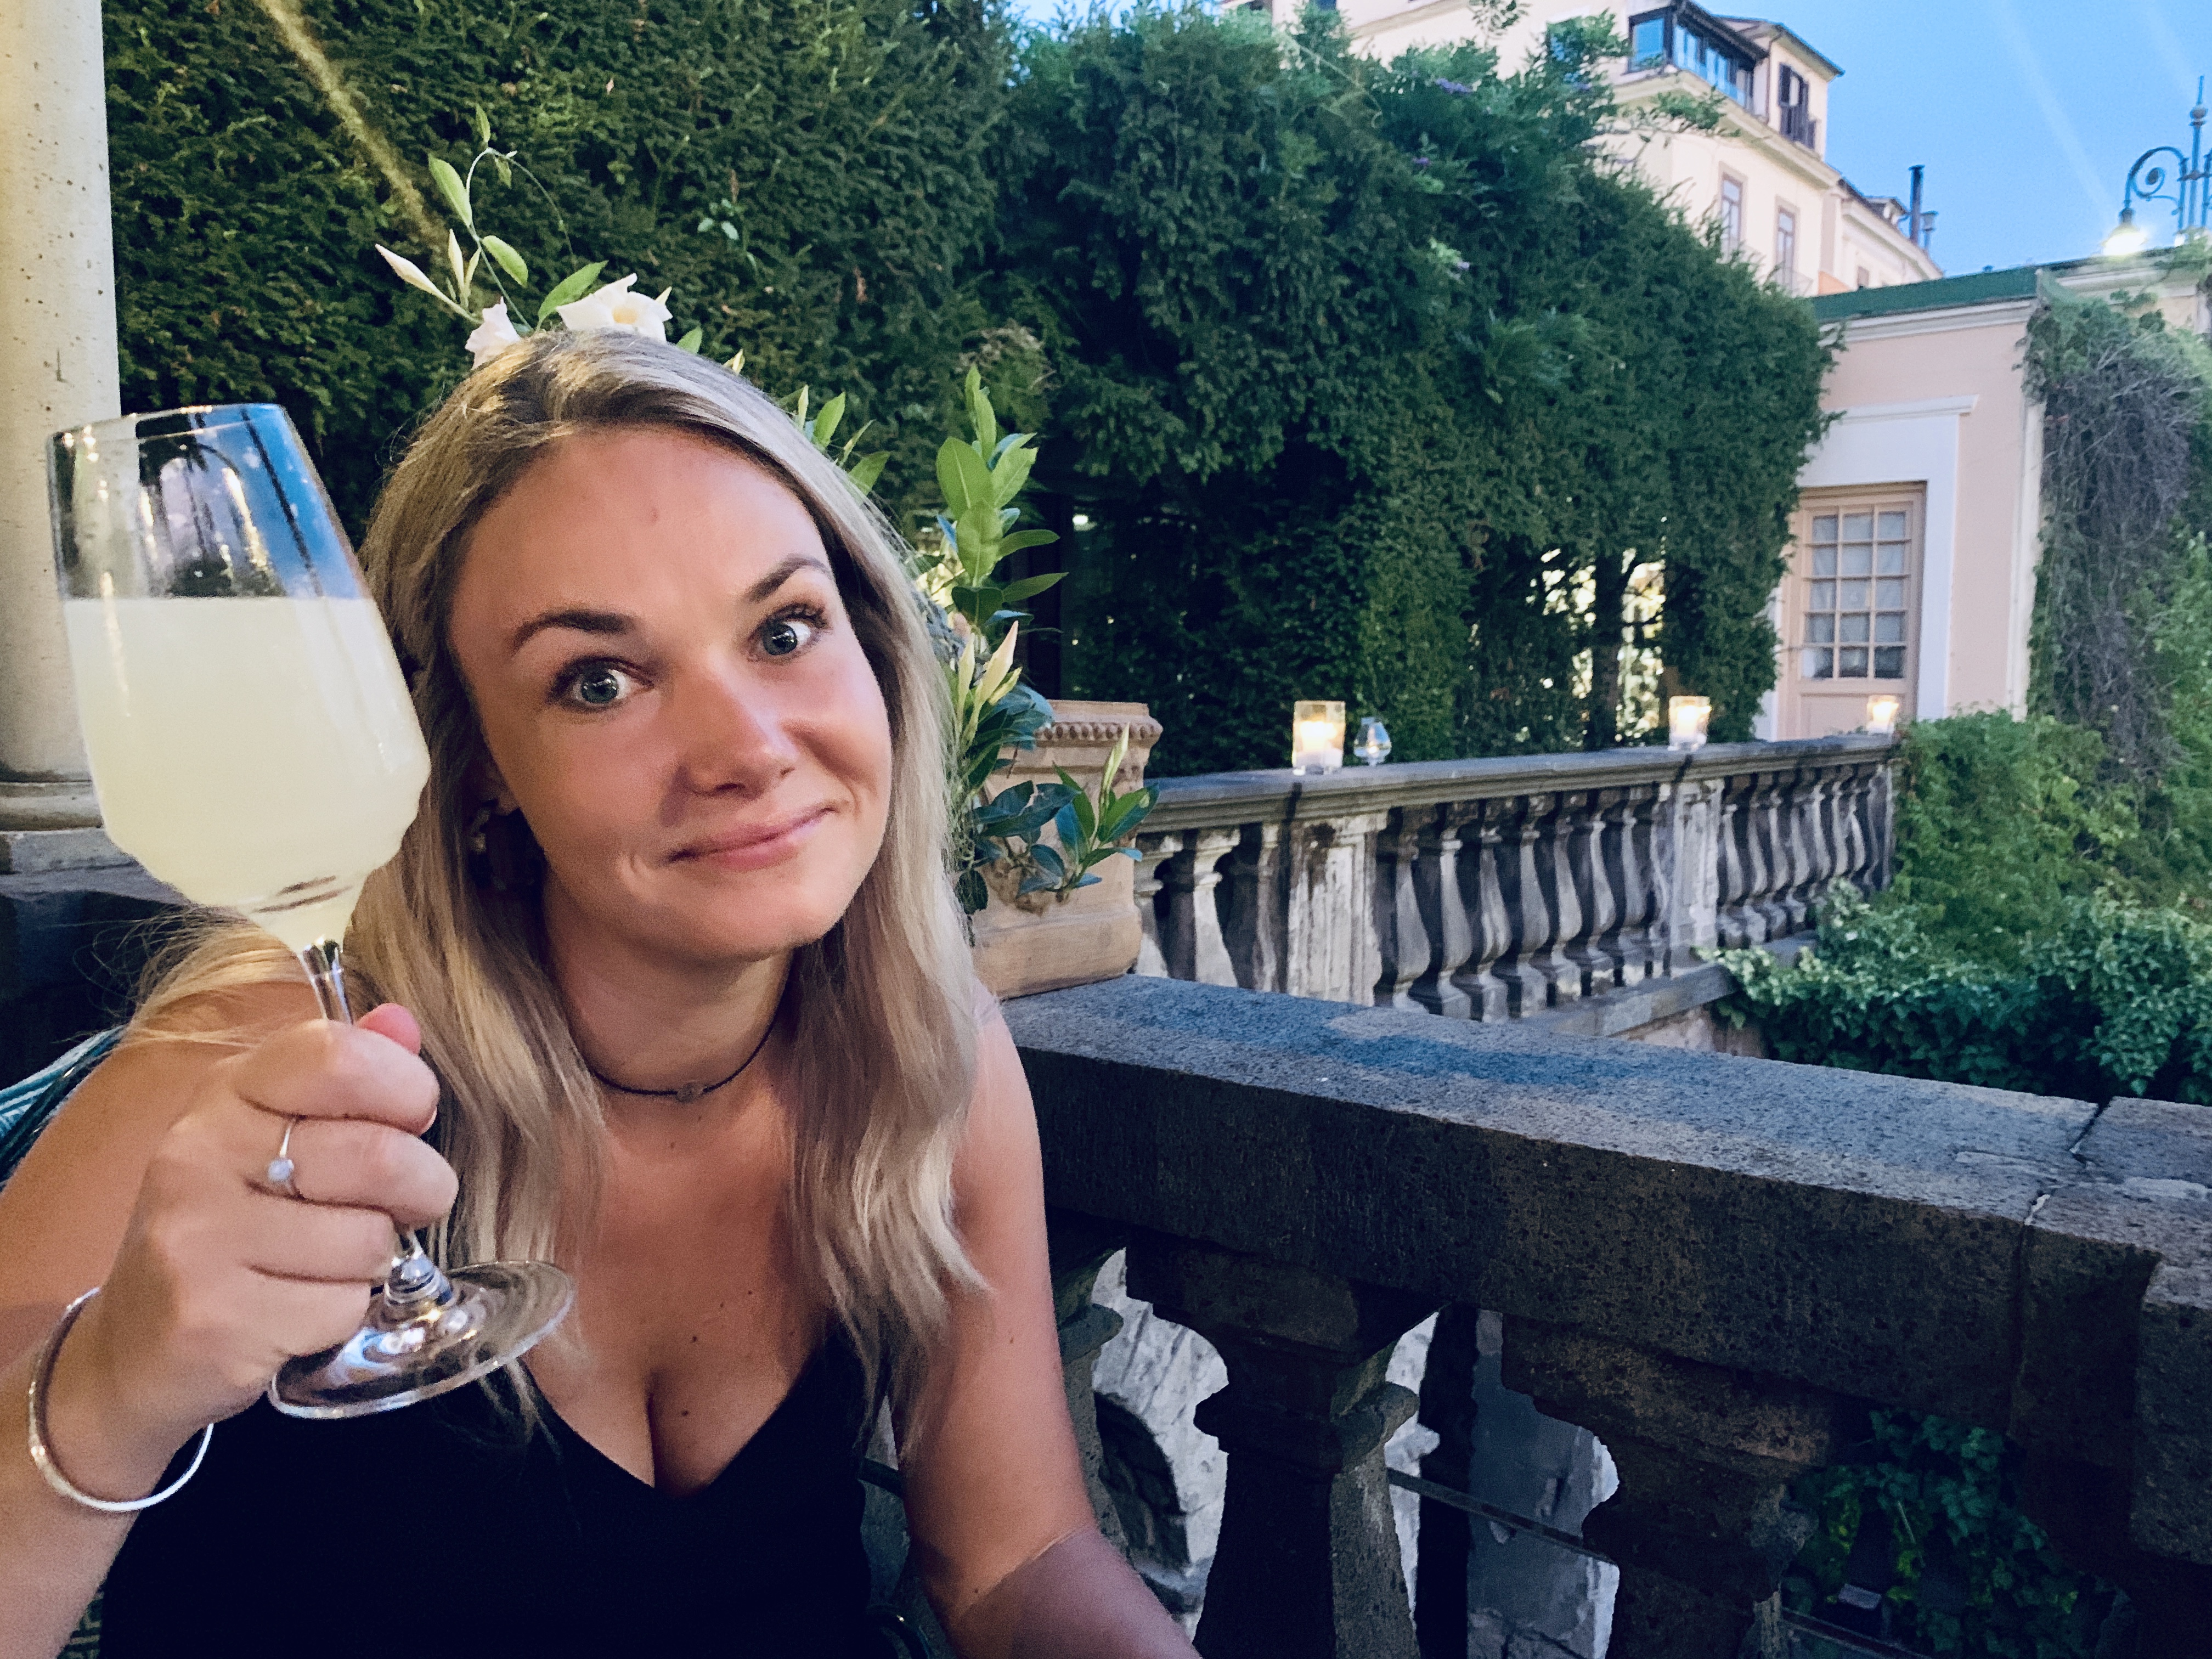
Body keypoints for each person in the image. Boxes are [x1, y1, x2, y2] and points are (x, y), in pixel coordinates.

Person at [0, 330, 1196, 1659]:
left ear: (874, 652)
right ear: (475, 767)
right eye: (599, 682)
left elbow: (1018, 1558)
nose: (745, 749)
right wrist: (111, 1387)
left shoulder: (926, 1048)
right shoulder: (251, 1076)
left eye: (784, 630)